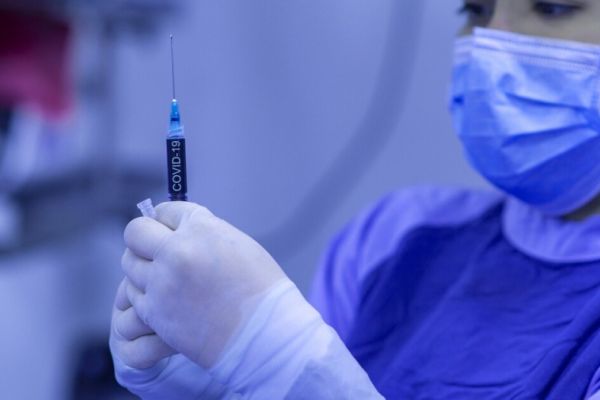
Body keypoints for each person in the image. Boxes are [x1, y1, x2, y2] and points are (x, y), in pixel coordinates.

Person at [110, 1, 600, 398]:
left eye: (553, 8)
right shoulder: (396, 236)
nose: (493, 43)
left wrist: (278, 358)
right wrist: (215, 381)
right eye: (475, 10)